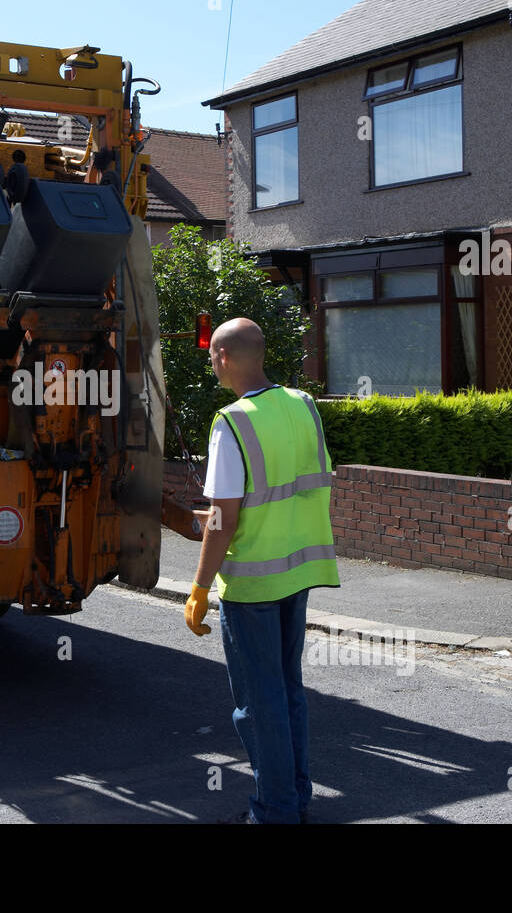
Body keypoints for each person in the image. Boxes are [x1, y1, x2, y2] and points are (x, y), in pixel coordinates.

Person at [183, 317, 340, 824]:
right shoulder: (303, 404)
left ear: (225, 358)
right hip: (298, 572)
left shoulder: (232, 422)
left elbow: (223, 519)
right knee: (287, 689)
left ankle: (275, 811)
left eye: (212, 356)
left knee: (258, 703)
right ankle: (295, 796)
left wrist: (200, 587)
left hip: (251, 583)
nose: (211, 362)